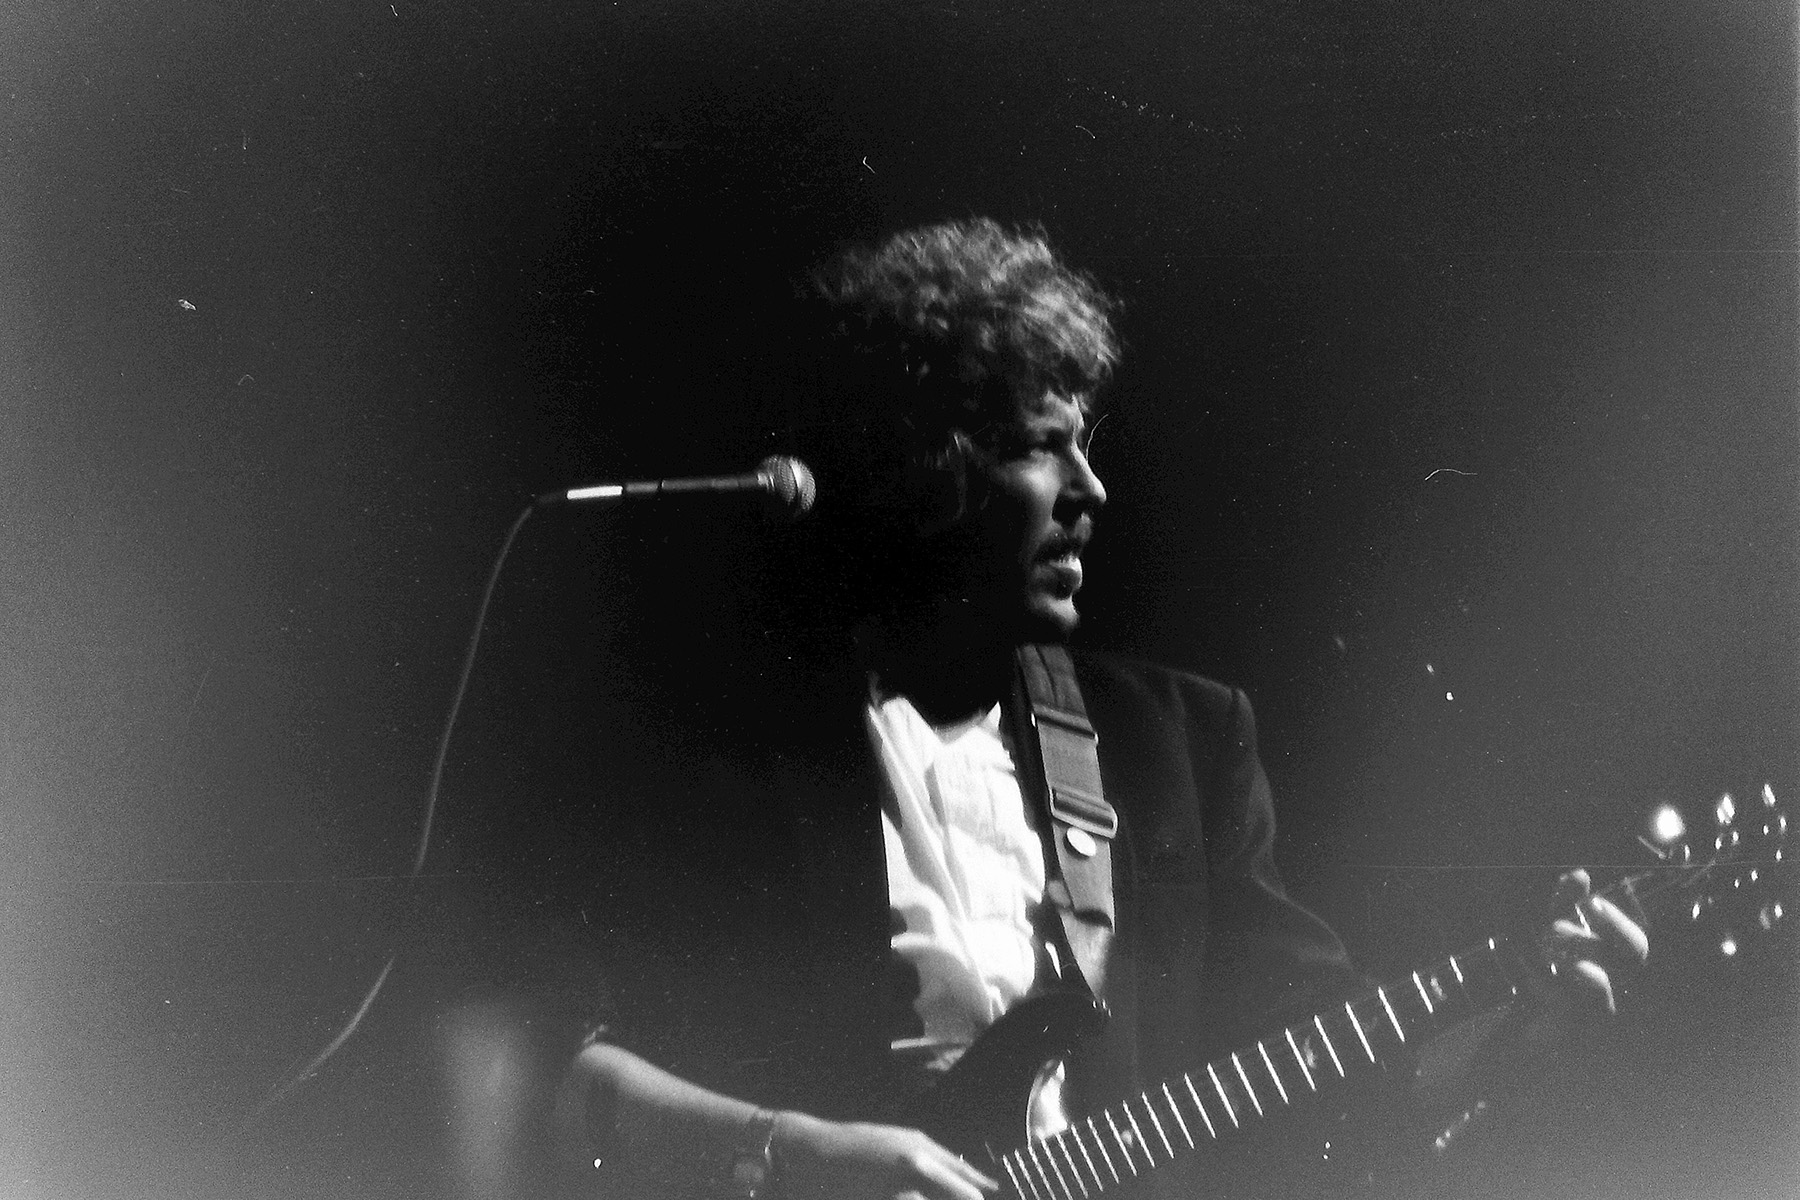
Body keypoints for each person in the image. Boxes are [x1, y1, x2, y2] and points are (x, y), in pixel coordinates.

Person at [430, 219, 1648, 1200]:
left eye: (1089, 446)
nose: (1091, 489)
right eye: (1042, 447)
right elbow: (543, 1067)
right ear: (926, 470)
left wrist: (1512, 1034)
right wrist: (796, 1153)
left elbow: (1330, 1089)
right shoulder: (716, 752)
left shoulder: (1180, 743)